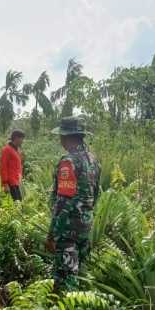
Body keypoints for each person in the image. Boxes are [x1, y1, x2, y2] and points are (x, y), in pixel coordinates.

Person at [44, 117, 101, 293]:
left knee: (66, 277)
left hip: (67, 230)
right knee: (79, 273)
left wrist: (52, 235)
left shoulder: (68, 162)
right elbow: (96, 193)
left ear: (65, 137)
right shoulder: (93, 159)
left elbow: (63, 201)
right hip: (86, 226)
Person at [0, 129, 25, 201]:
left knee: (19, 203)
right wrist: (5, 183)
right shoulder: (7, 149)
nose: (23, 141)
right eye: (21, 138)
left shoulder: (16, 150)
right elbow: (3, 167)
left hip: (17, 182)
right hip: (11, 183)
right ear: (16, 138)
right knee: (16, 204)